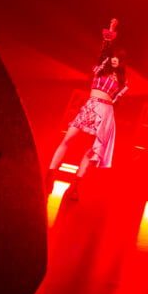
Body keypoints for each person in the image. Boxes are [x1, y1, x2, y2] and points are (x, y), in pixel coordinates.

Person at [45, 19, 128, 201]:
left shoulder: (122, 82)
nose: (115, 59)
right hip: (91, 106)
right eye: (113, 57)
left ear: (121, 62)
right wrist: (112, 30)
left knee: (90, 151)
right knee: (68, 139)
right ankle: (50, 176)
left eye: (118, 58)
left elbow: (117, 103)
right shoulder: (101, 68)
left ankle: (74, 187)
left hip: (105, 112)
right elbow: (104, 49)